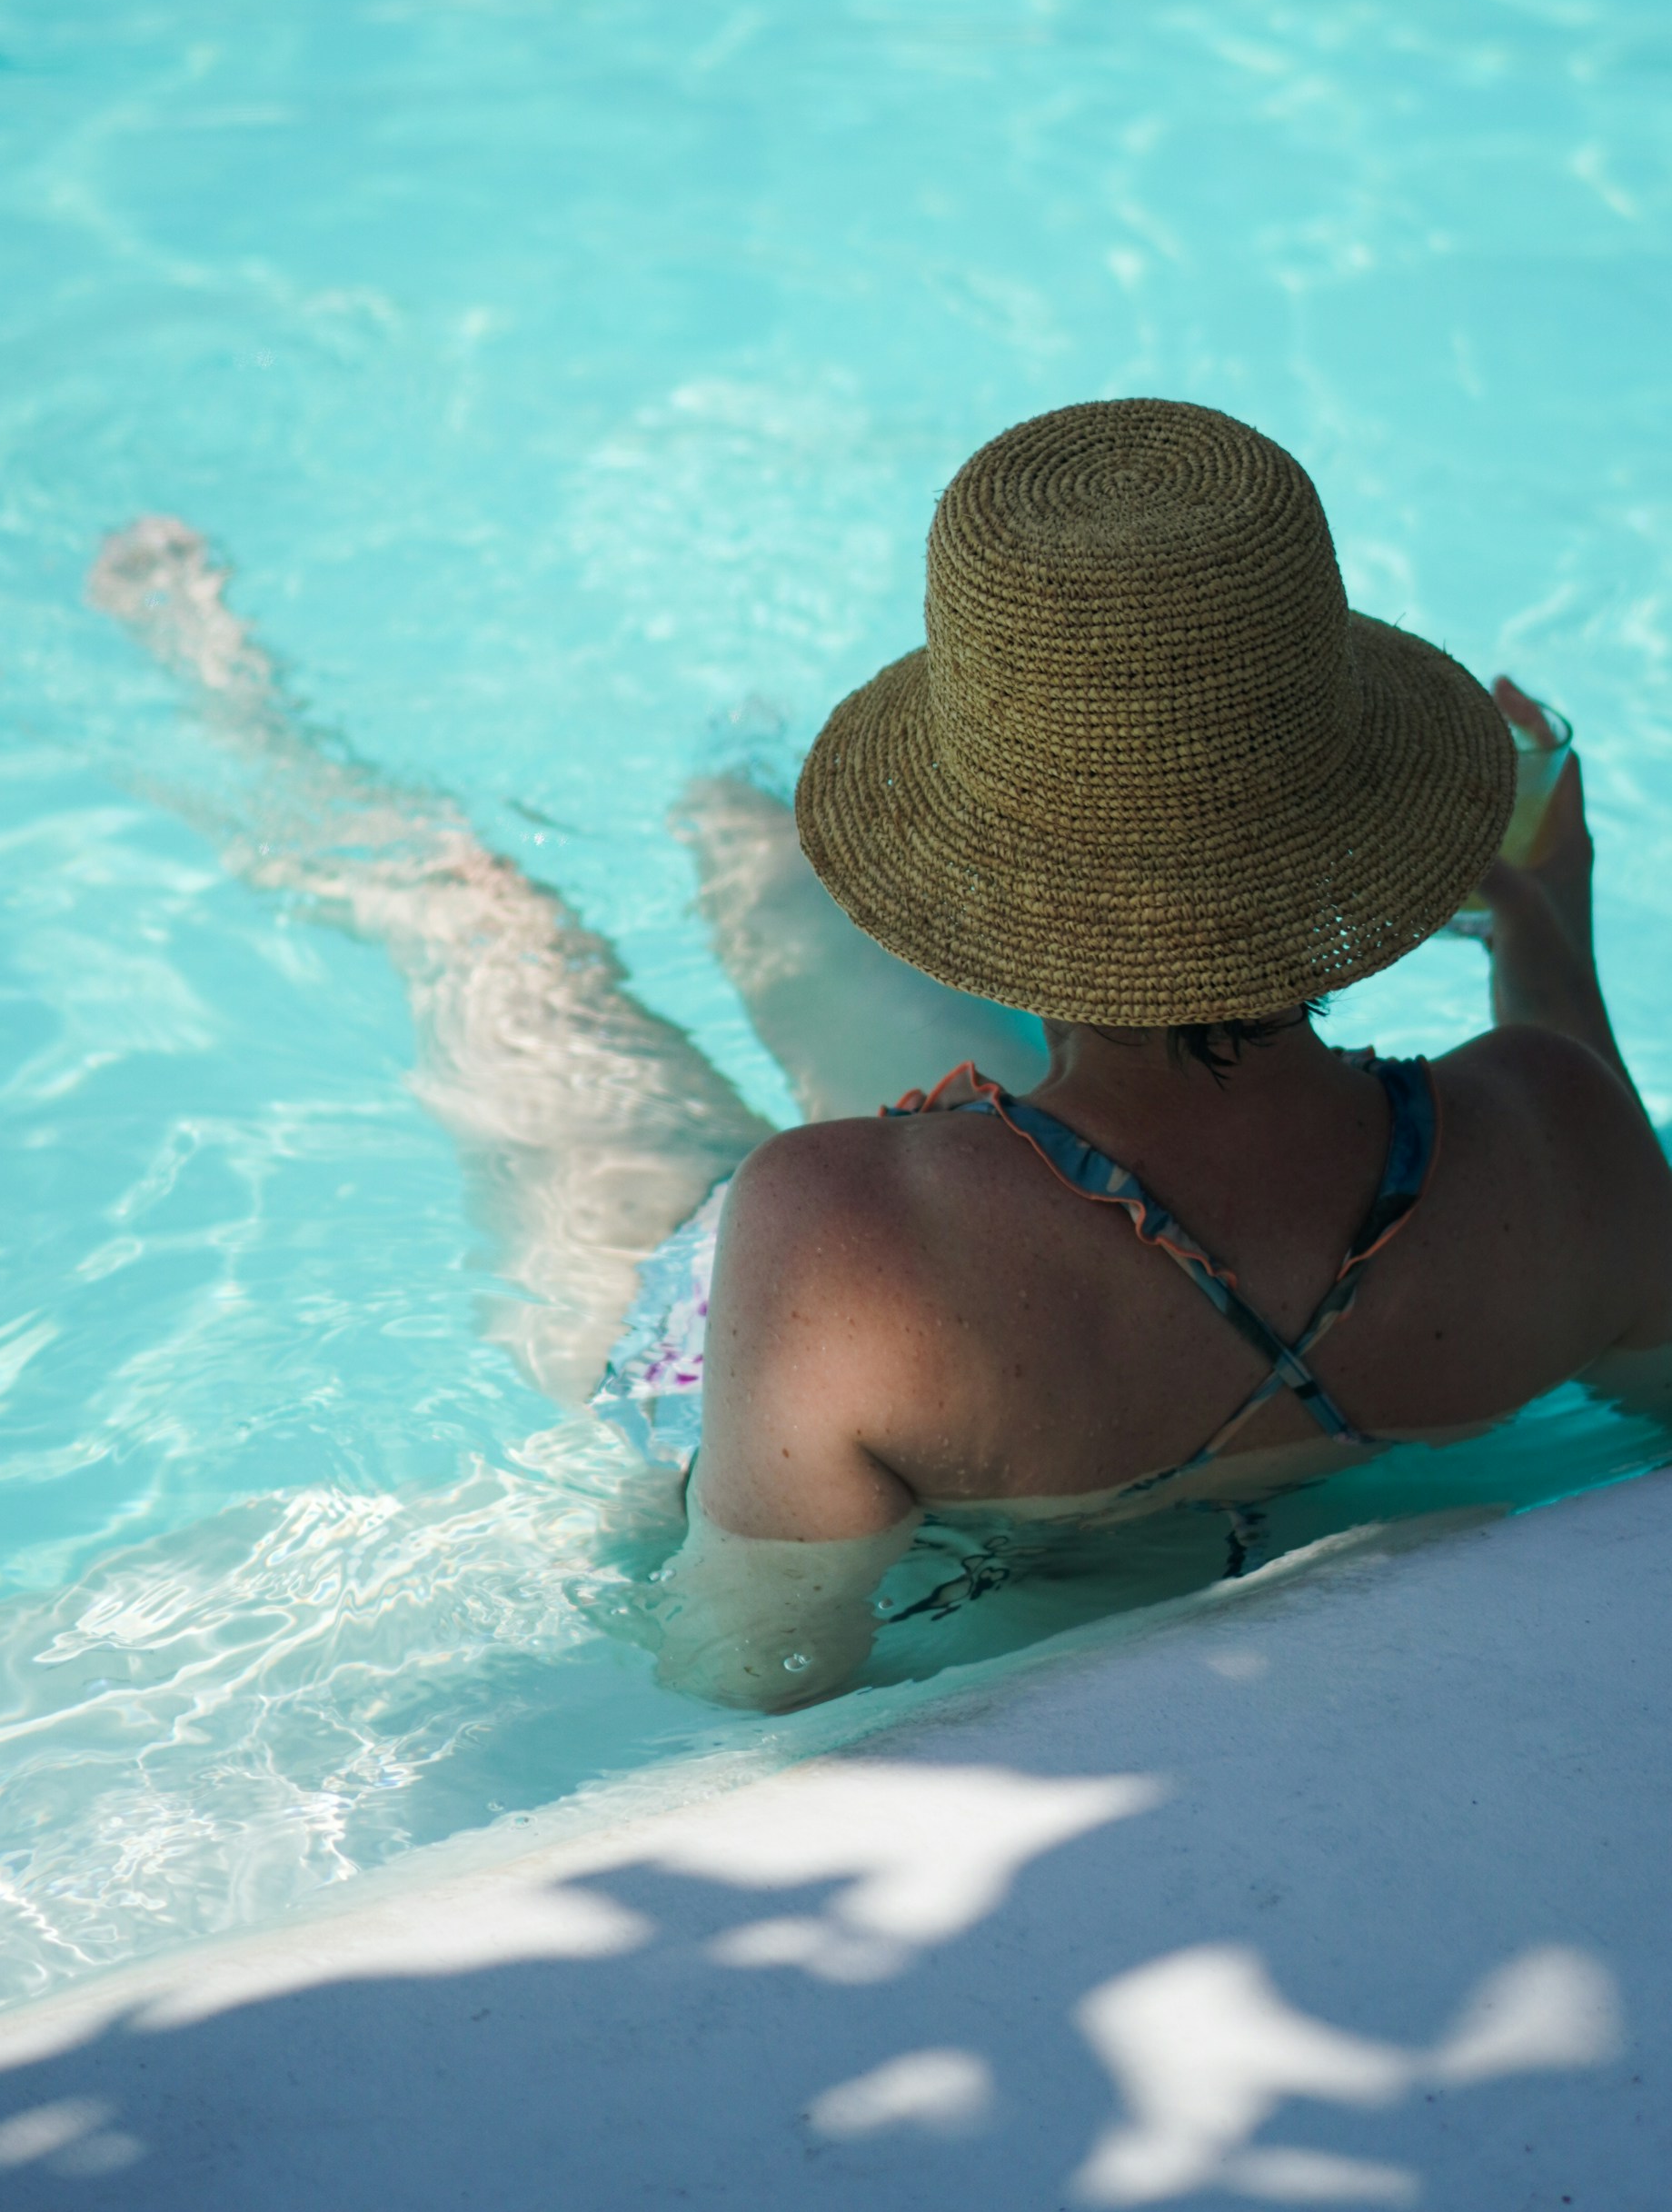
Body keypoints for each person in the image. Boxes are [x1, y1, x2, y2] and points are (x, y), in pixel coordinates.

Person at [90, 401, 1672, 1711]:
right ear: (1368, 840)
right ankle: (720, 779)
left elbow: (741, 1668)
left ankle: (230, 695)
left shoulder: (840, 1218)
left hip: (807, 1326)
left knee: (484, 927)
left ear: (978, 884)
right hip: (980, 1263)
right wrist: (1546, 909)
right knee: (749, 872)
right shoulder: (1566, 1147)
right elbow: (1639, 1339)